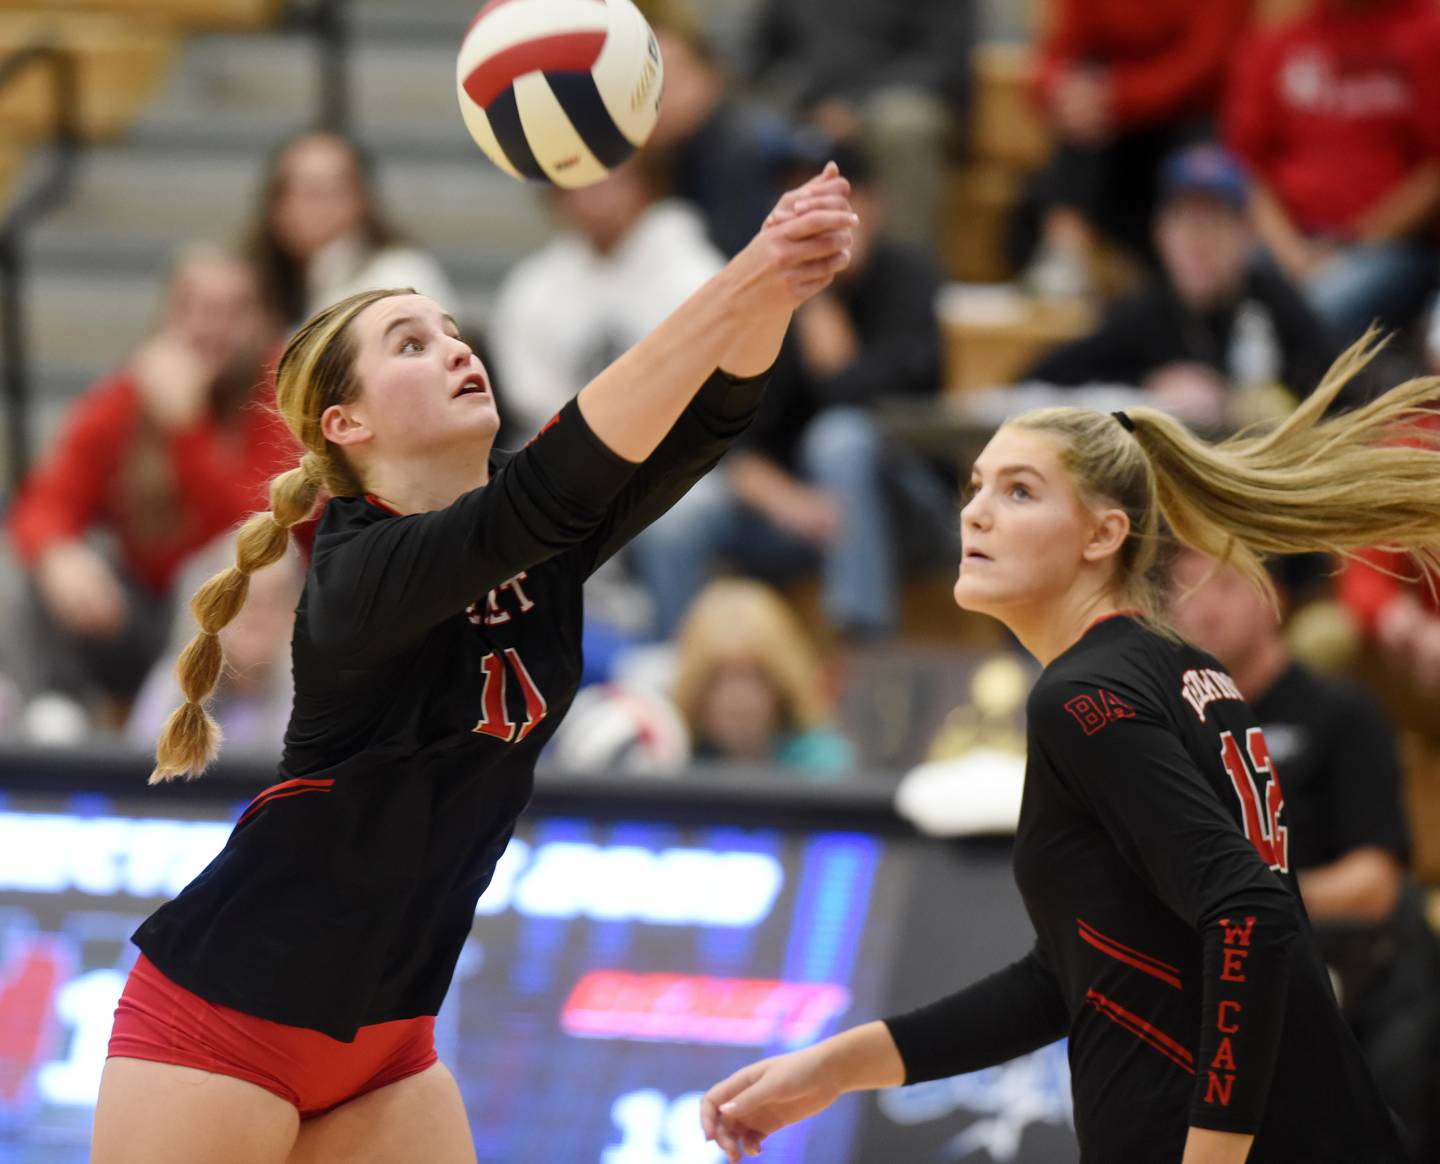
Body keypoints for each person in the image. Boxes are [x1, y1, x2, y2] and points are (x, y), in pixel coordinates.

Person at [89, 165, 856, 1163]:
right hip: (225, 1020)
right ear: (345, 427)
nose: (454, 347)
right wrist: (744, 276)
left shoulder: (535, 534)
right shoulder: (360, 568)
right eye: (411, 344)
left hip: (388, 1041)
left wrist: (779, 290)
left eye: (451, 328)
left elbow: (708, 419)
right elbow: (546, 487)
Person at [700, 333, 1440, 1163]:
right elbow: (1074, 976)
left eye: (1019, 492)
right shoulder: (1183, 667)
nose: (975, 511)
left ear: (1103, 536)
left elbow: (1249, 913)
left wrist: (1212, 1156)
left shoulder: (1083, 696)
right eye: (976, 486)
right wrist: (837, 1067)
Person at [1169, 548, 1440, 1158]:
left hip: (1340, 974)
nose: (1198, 606)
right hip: (1209, 987)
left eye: (1222, 586)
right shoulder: (1171, 732)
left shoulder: (1341, 715)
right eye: (1183, 588)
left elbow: (1375, 885)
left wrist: (1246, 904)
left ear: (1275, 599)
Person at [630, 143, 952, 640]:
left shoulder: (910, 277)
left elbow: (875, 401)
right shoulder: (769, 293)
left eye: (837, 203)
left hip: (900, 506)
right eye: (801, 204)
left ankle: (858, 644)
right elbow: (730, 429)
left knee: (840, 438)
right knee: (676, 517)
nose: (819, 220)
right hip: (798, 509)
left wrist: (820, 298)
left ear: (874, 203)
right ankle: (677, 673)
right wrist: (788, 503)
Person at [5, 243, 294, 730]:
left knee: (238, 564)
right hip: (137, 612)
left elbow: (263, 529)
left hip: (241, 627)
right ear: (167, 316)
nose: (211, 326)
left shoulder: (282, 393)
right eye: (195, 308)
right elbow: (46, 499)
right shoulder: (132, 394)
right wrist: (58, 554)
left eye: (232, 311)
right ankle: (52, 717)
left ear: (263, 320)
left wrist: (186, 428)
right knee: (26, 566)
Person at [1024, 143, 1343, 426]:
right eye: (1184, 222)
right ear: (1160, 234)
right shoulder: (1142, 311)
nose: (1198, 242)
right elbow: (1040, 378)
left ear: (1246, 235)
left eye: (1214, 223)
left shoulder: (1273, 301)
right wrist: (1148, 386)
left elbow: (1343, 385)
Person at [1225, 0, 1440, 342]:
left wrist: (1353, 242)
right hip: (1283, 239)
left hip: (1388, 247)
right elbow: (1245, 166)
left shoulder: (1426, 31)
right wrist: (1292, 252)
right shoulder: (1280, 39)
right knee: (1207, 275)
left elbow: (1434, 173)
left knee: (1314, 308)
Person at [1015, 0, 1252, 295]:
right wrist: (1061, 89)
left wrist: (1116, 97)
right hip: (1110, 133)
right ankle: (1065, 255)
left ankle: (1196, 274)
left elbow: (1207, 65)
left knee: (1198, 145)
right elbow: (1055, 57)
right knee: (1083, 113)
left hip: (1187, 122)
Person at [486, 157, 725, 442]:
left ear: (643, 182)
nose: (594, 194)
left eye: (608, 178)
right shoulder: (533, 285)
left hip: (675, 449)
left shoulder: (696, 274)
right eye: (578, 181)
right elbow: (526, 391)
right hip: (564, 450)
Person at [747, 0, 975, 250]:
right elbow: (760, 57)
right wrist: (798, 99)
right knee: (747, 125)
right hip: (806, 102)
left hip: (896, 100)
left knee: (904, 127)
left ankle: (905, 267)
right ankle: (742, 264)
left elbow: (942, 61)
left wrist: (855, 105)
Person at [247, 130, 457, 327]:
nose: (312, 208)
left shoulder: (399, 277)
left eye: (324, 191)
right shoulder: (262, 291)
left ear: (363, 200)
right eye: (292, 191)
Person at [125, 535, 304, 756]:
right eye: (242, 599)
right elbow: (140, 776)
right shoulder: (172, 687)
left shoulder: (311, 699)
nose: (259, 616)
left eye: (275, 601)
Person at [639, 0, 792, 257]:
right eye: (647, 90)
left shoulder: (747, 145)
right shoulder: (670, 154)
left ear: (708, 71)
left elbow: (738, 254)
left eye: (672, 81)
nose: (661, 100)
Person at [671, 578, 853, 778]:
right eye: (719, 680)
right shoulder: (669, 761)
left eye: (754, 678)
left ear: (781, 685)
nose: (737, 700)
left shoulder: (823, 767)